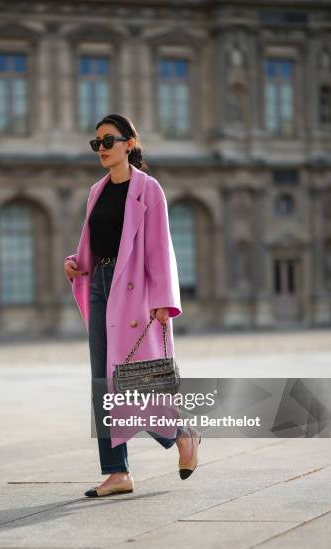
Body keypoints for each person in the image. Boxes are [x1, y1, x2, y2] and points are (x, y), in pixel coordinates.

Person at [64, 113, 201, 497]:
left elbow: (160, 249)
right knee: (101, 382)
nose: (102, 150)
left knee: (139, 380)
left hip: (137, 294)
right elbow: (93, 245)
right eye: (97, 144)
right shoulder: (96, 191)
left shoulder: (149, 189)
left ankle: (180, 434)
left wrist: (162, 301)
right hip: (100, 287)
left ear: (129, 144)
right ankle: (116, 472)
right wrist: (75, 263)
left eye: (108, 142)